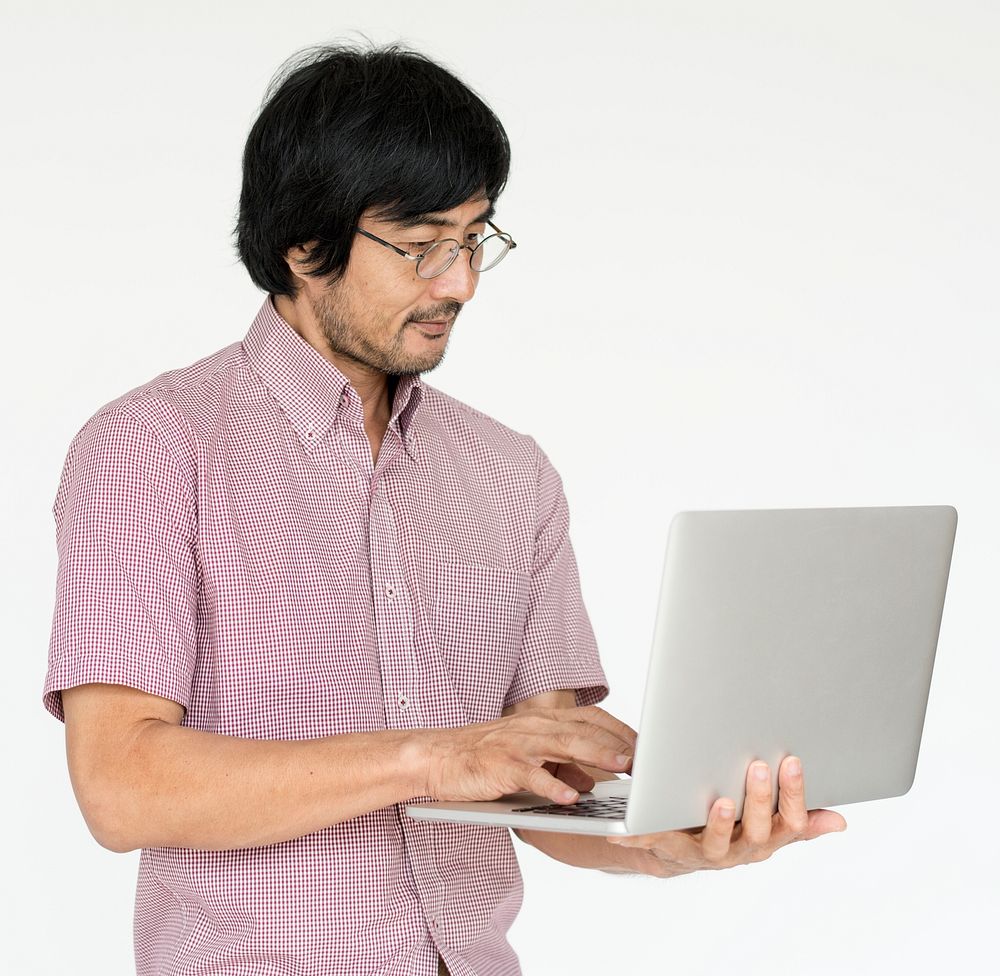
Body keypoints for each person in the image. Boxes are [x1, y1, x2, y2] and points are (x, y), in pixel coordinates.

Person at [43, 42, 846, 976]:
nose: (459, 282)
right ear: (306, 245)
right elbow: (122, 786)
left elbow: (541, 787)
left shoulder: (512, 474)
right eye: (423, 244)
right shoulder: (152, 444)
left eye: (475, 238)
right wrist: (434, 757)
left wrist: (676, 841)